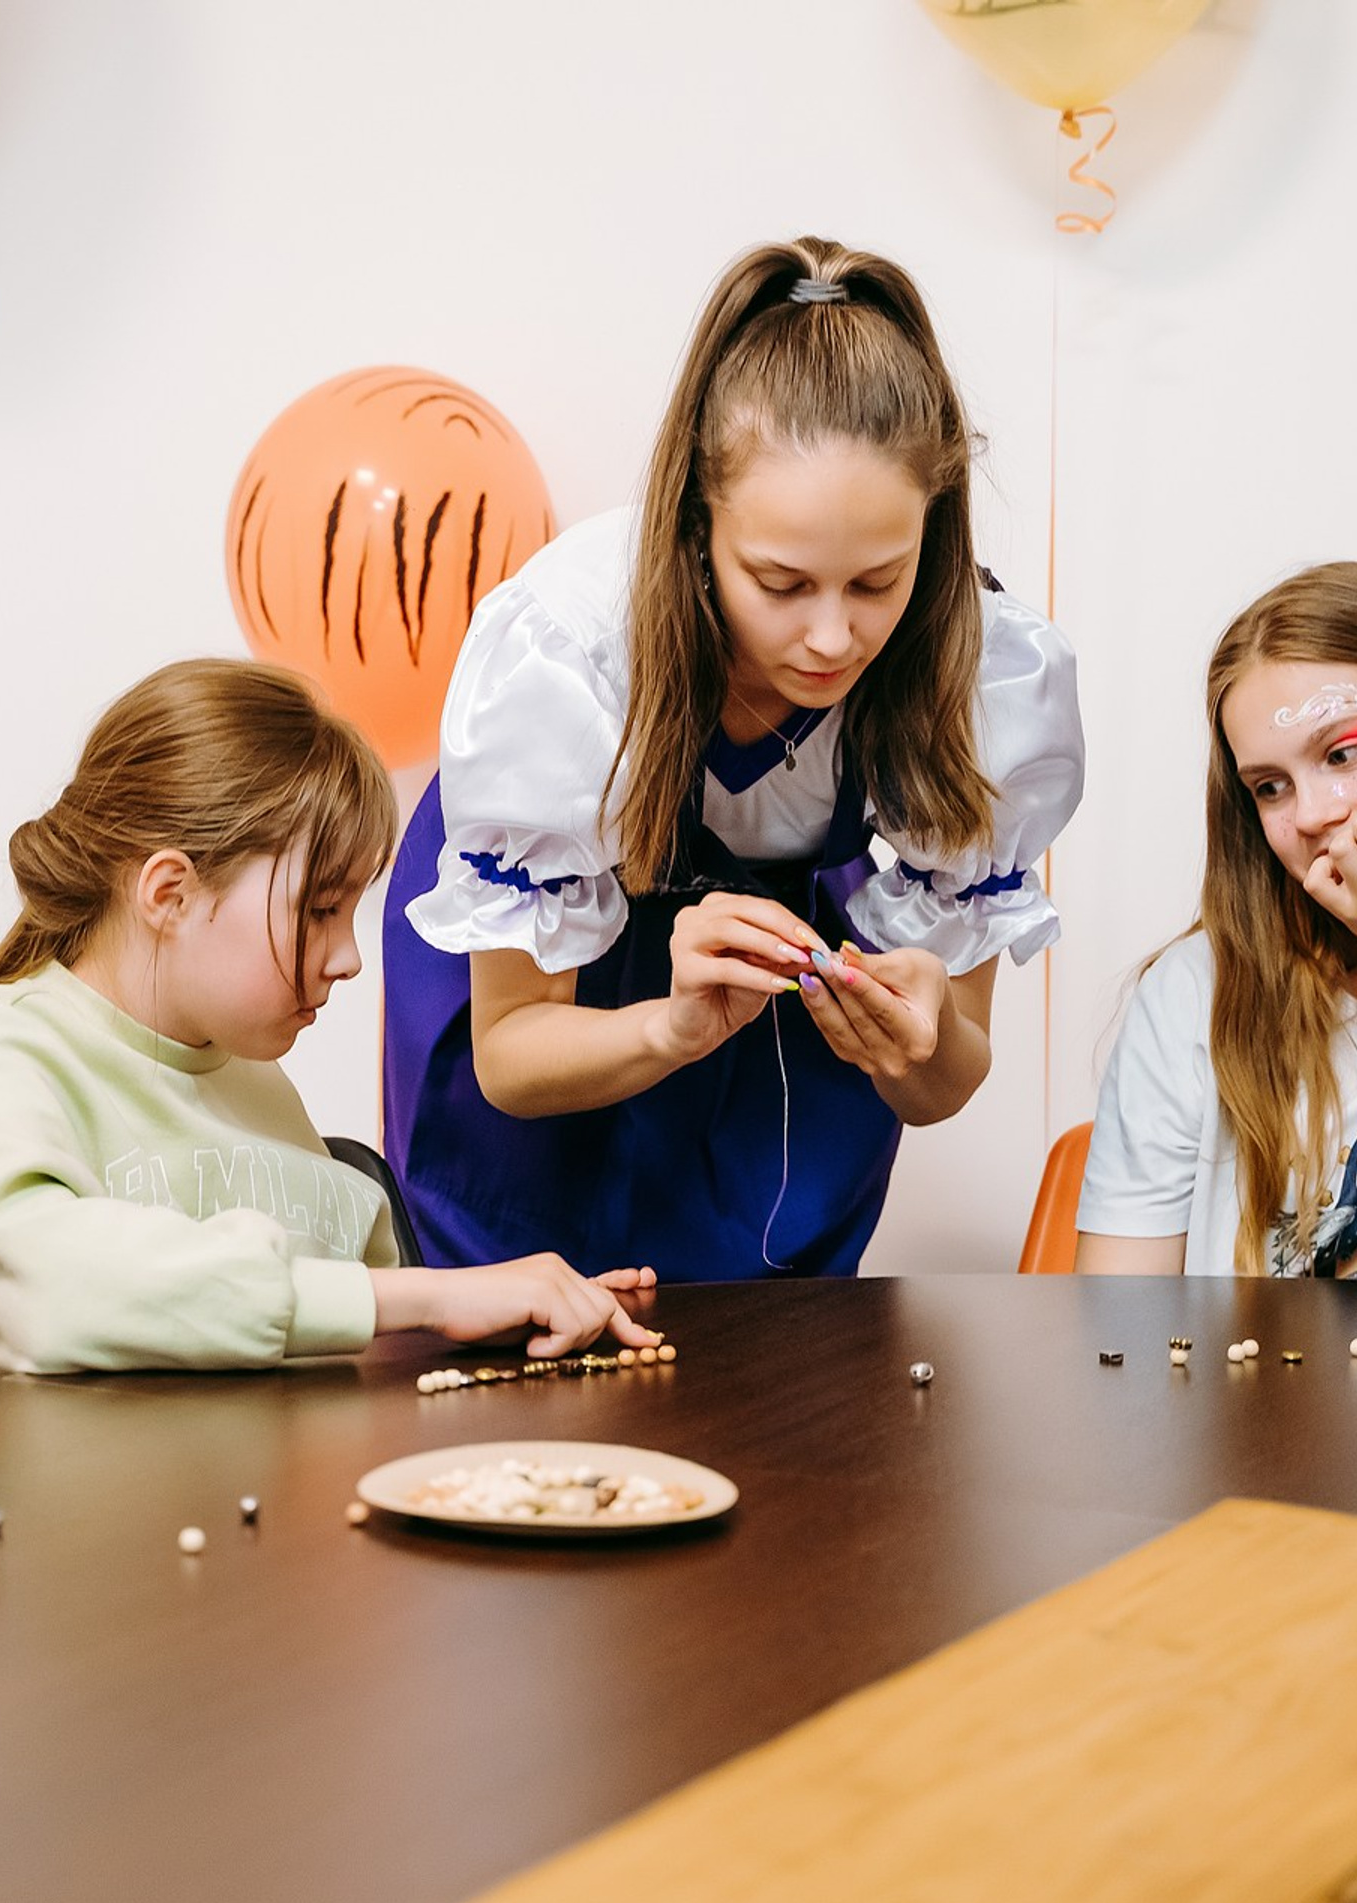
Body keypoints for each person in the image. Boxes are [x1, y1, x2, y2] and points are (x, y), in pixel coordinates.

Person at [384, 236, 1085, 1282]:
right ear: (697, 522)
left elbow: (940, 1086)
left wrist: (921, 1039)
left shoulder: (982, 678)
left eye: (878, 582)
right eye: (782, 582)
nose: (833, 639)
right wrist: (669, 1026)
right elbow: (512, 1055)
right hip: (559, 993)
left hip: (770, 965)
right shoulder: (568, 654)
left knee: (770, 1365)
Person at [0, 658, 659, 1371]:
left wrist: (499, 1314)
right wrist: (435, 1298)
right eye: (319, 909)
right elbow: (46, 1293)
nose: (348, 957)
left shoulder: (259, 1086)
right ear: (169, 894)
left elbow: (360, 1339)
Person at [1078, 564, 1357, 1276]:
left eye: (1342, 753)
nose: (1311, 813)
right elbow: (1118, 1327)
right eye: (1270, 787)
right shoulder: (1192, 997)